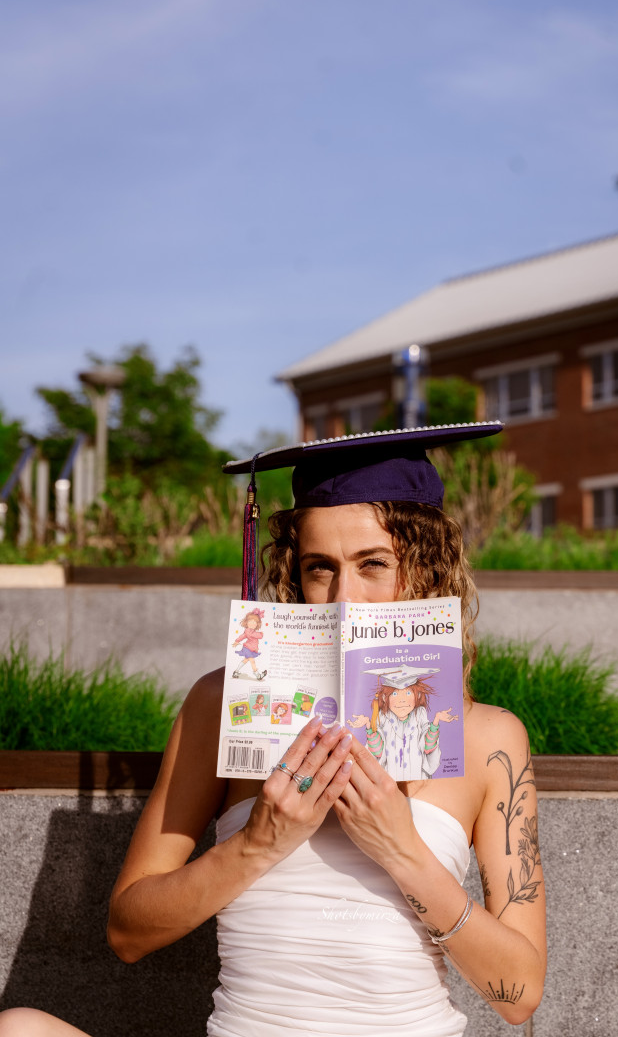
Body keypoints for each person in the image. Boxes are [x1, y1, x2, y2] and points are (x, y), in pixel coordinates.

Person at [0, 424, 546, 1037]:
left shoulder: (490, 737)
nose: (344, 600)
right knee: (18, 1028)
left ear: (431, 567)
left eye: (374, 564)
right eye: (320, 568)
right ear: (295, 572)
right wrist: (260, 840)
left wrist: (401, 849)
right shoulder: (222, 704)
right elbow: (128, 932)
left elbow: (519, 996)